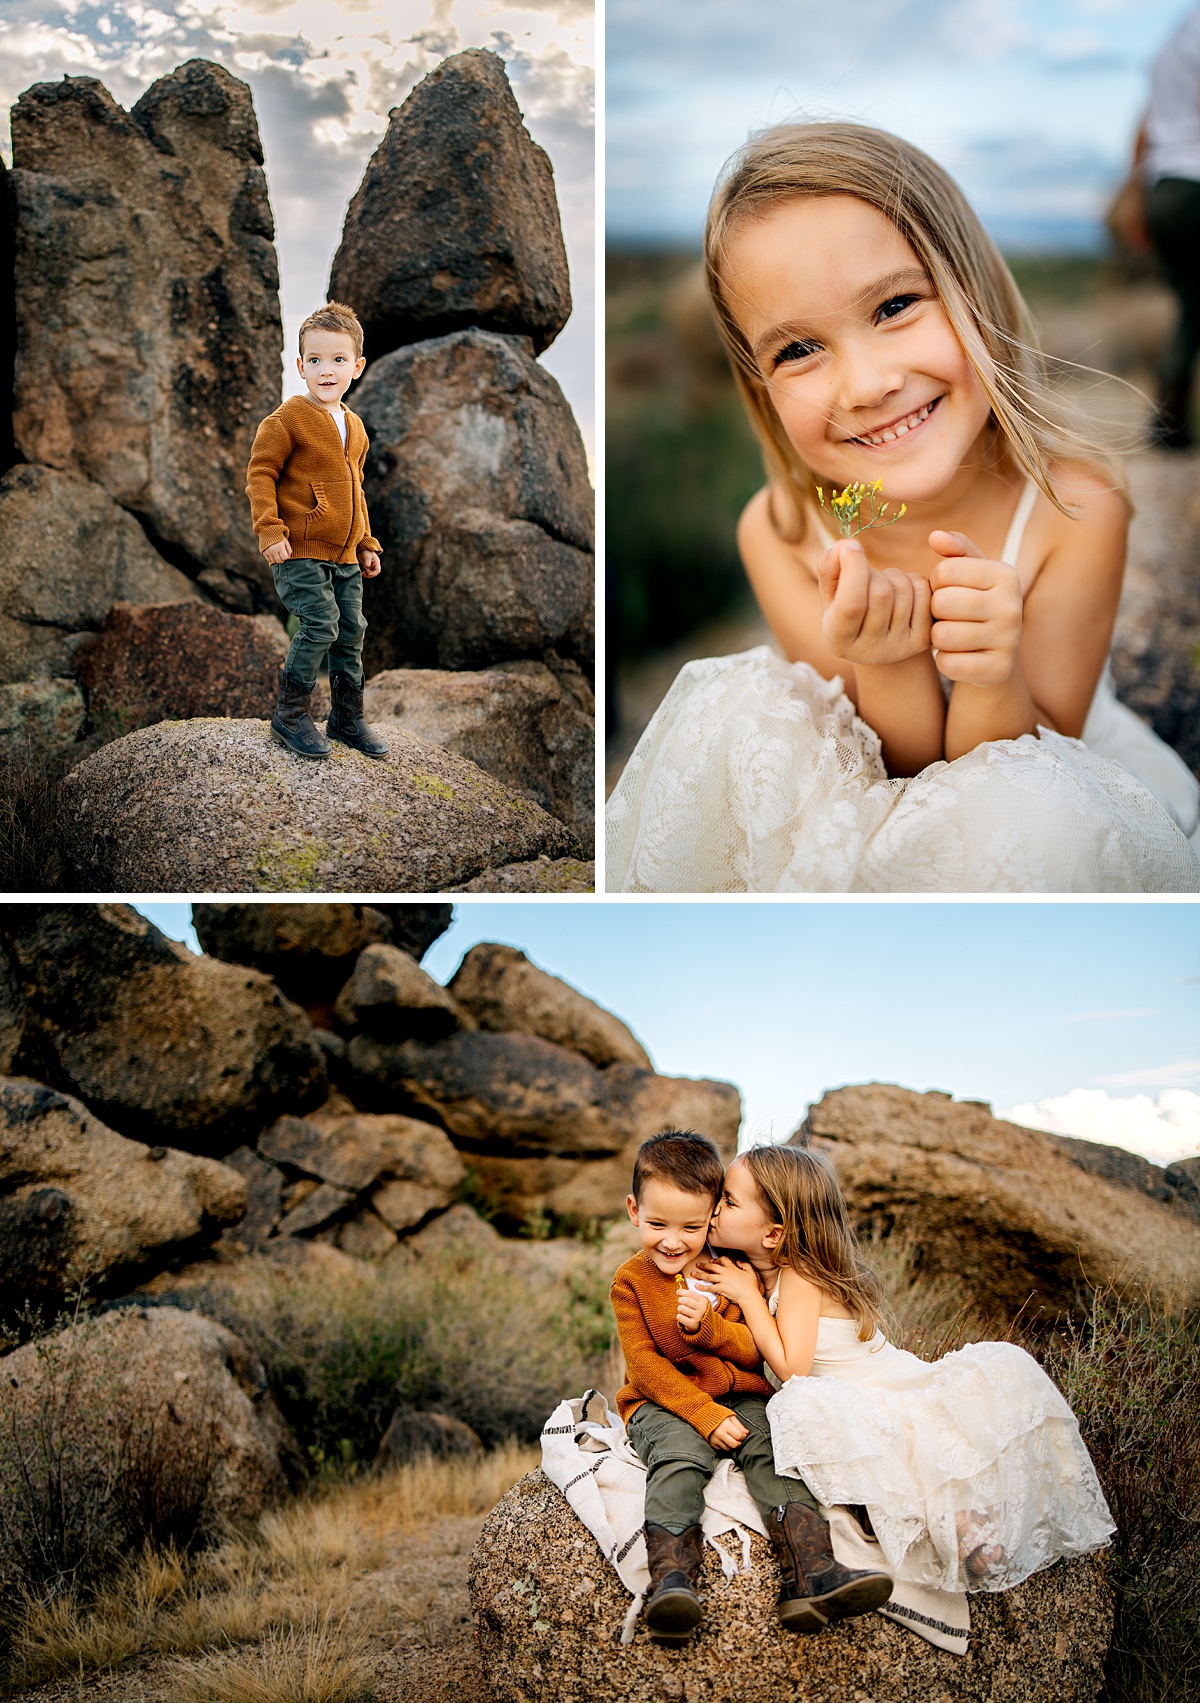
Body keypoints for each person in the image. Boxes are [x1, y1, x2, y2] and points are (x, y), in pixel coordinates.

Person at [605, 122, 1200, 892]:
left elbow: (1025, 782)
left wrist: (992, 672)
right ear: (760, 388)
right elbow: (897, 771)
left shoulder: (1077, 508)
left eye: (893, 306)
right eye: (797, 350)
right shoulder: (784, 533)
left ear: (976, 293)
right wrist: (885, 662)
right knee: (730, 710)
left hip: (1036, 778)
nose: (865, 384)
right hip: (878, 778)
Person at [693, 1146, 1116, 1595]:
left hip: (879, 1388)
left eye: (729, 1202)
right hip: (867, 1388)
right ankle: (963, 1529)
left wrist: (749, 1298)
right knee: (911, 1453)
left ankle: (969, 1532)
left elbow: (791, 1367)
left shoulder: (799, 1274)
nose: (715, 1210)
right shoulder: (767, 1267)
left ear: (774, 1234)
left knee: (845, 1423)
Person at [610, 1128, 893, 1643]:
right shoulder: (631, 1280)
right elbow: (645, 1369)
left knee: (773, 1449)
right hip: (662, 1402)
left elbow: (752, 1349)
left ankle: (812, 1572)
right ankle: (673, 1580)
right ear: (634, 1211)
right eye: (657, 1224)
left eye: (692, 1226)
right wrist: (705, 1416)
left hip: (741, 1394)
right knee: (679, 1454)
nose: (674, 1241)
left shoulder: (727, 1268)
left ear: (712, 1214)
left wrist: (711, 1330)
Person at [246, 300, 388, 761]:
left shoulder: (355, 426)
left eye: (339, 359)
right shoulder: (287, 419)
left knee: (351, 630)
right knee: (320, 623)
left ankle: (348, 718)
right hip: (300, 549)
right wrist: (270, 530)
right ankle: (290, 714)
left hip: (346, 553)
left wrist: (366, 541)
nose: (328, 370)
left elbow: (356, 489)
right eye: (316, 360)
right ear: (301, 366)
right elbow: (260, 474)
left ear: (358, 366)